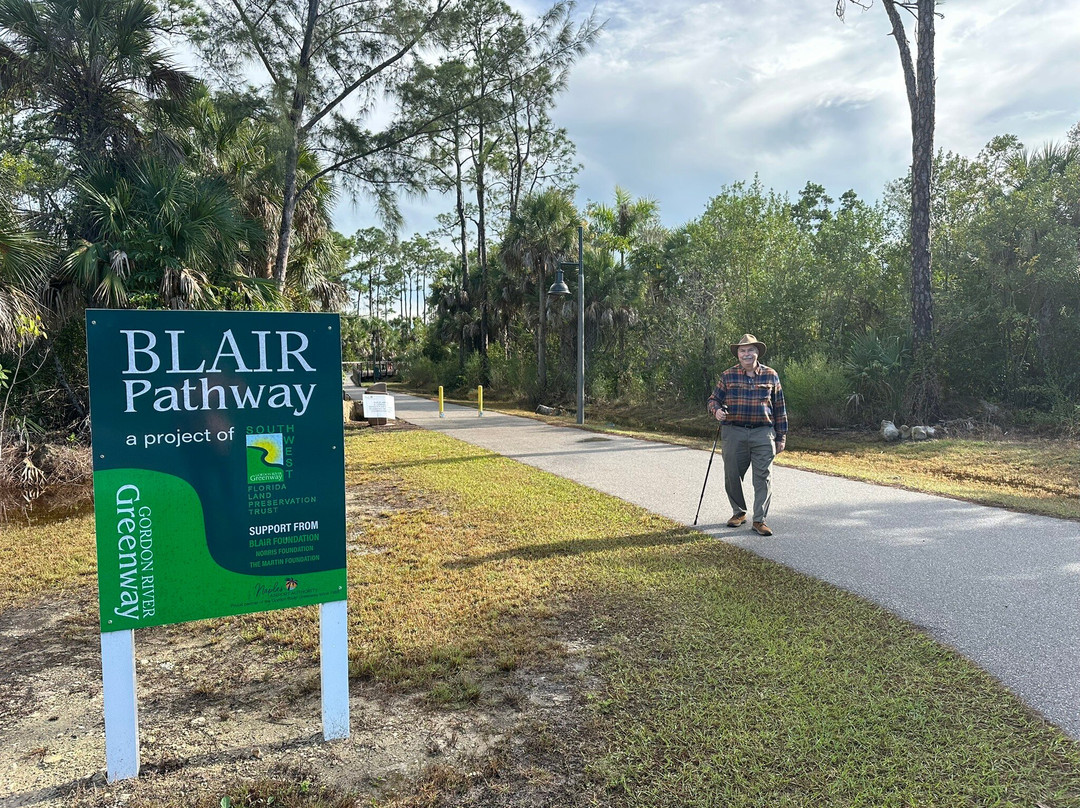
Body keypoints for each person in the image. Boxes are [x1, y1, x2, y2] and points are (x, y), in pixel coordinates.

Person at [706, 333, 788, 536]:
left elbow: (780, 407)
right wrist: (716, 410)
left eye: (750, 350)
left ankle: (759, 520)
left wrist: (782, 436)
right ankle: (739, 512)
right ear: (738, 355)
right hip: (733, 432)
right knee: (732, 475)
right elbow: (713, 400)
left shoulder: (771, 375)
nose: (746, 354)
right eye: (742, 351)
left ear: (757, 352)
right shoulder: (728, 375)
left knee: (763, 477)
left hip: (763, 433)